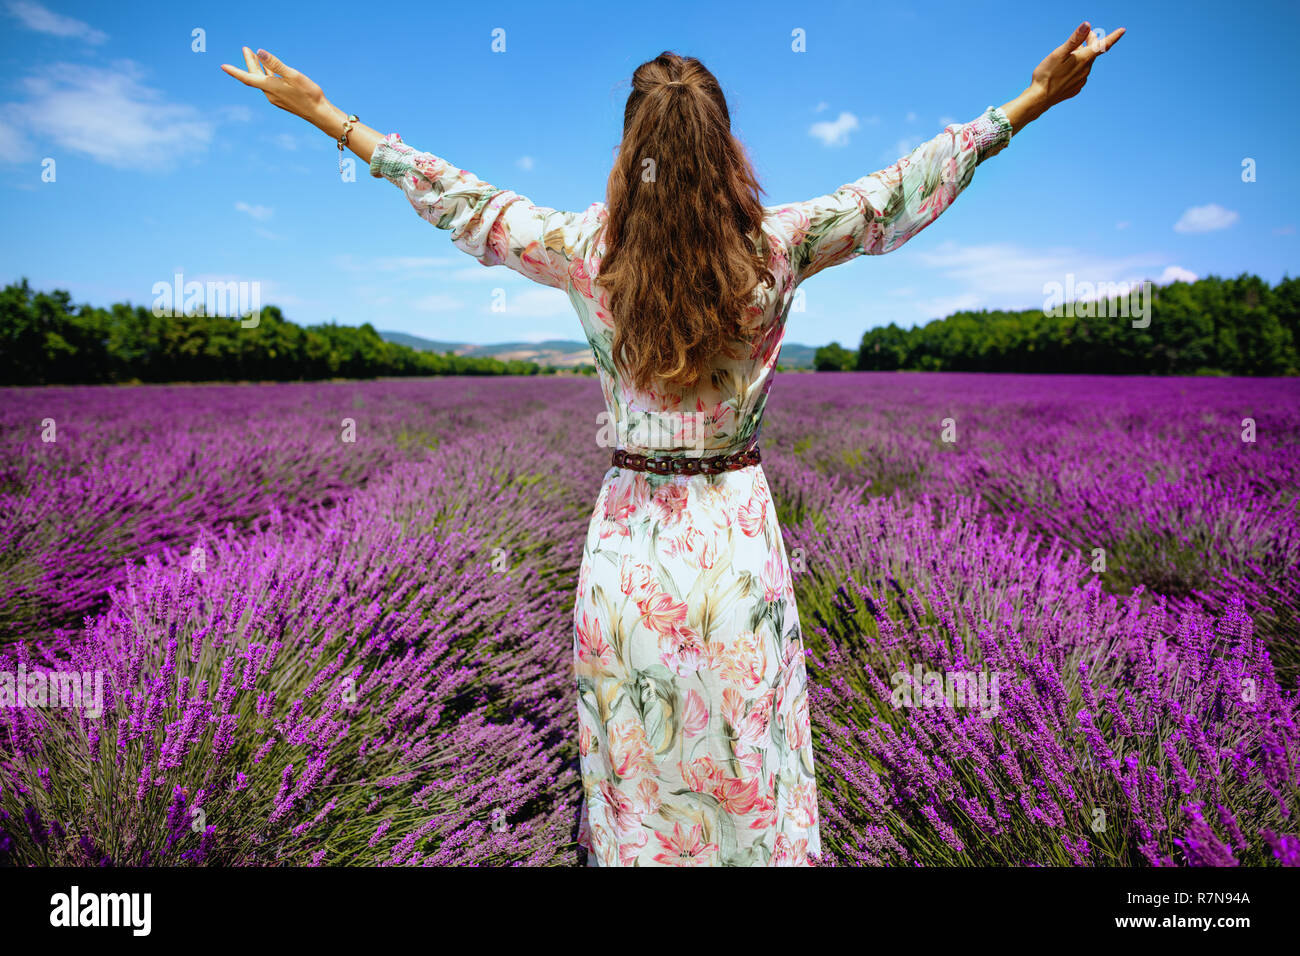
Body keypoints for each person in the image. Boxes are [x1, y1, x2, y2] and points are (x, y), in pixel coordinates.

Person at [222, 20, 1124, 866]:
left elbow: (466, 203)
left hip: (631, 547)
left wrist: (328, 117)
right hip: (734, 539)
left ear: (628, 152)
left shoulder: (587, 249)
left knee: (638, 768)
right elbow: (900, 188)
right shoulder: (780, 244)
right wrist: (1033, 100)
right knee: (749, 761)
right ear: (727, 147)